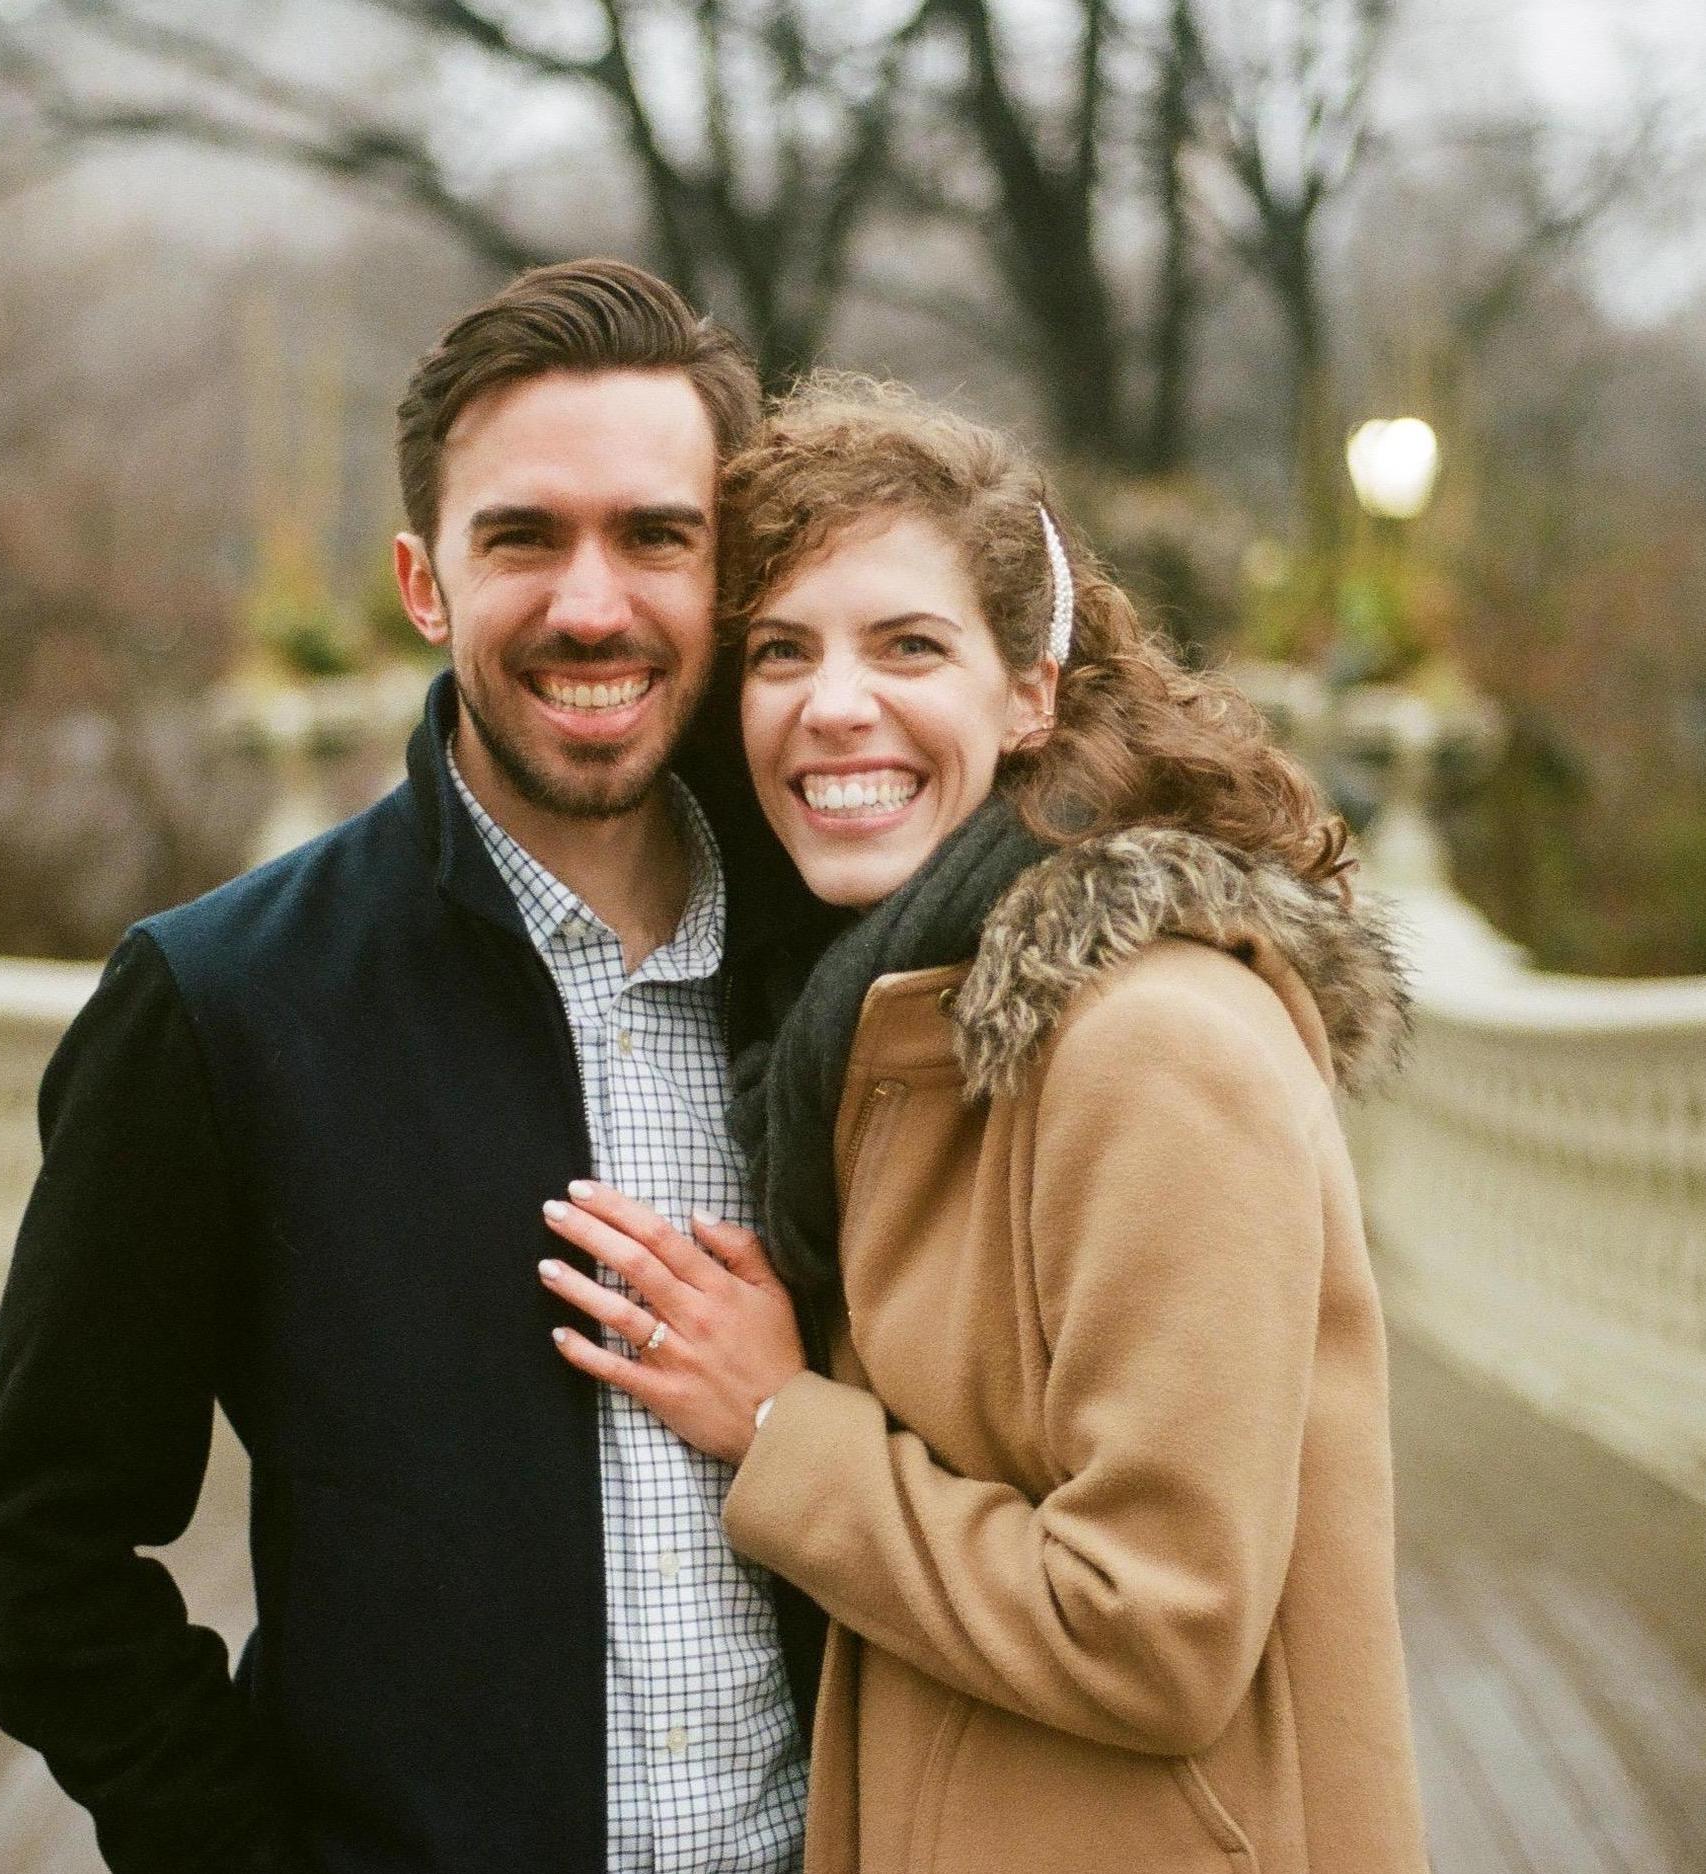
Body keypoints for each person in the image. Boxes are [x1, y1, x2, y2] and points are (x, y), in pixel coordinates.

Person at [0, 260, 831, 1874]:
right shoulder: (220, 1001)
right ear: (424, 582)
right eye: (524, 537)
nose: (591, 604)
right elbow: (49, 1542)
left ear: (730, 575)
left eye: (656, 535)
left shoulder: (845, 965)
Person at [536, 377, 1433, 1872]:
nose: (834, 705)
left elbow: (1155, 1630)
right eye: (779, 652)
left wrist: (774, 1421)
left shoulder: (1149, 1046)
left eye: (907, 646)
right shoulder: (875, 1027)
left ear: (1029, 688)